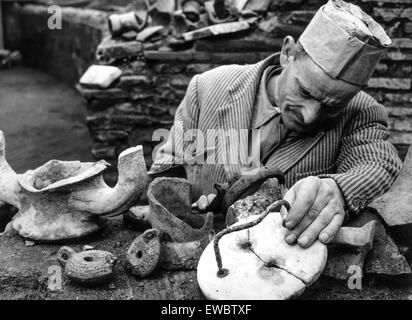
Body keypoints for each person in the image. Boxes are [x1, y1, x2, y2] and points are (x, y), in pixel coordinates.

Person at [148, 0, 402, 248]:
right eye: (305, 91)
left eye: (332, 105)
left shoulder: (360, 111)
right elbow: (168, 168)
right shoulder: (206, 88)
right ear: (287, 53)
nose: (310, 116)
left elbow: (380, 165)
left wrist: (338, 189)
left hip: (277, 265)